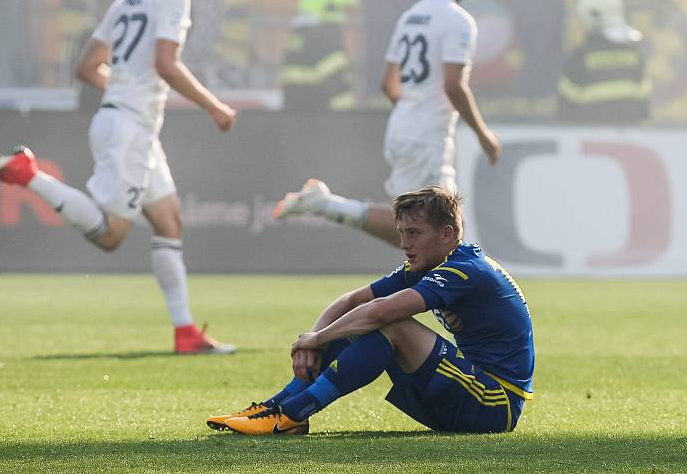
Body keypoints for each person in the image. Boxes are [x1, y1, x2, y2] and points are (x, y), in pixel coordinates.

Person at [0, 0, 237, 354]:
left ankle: (185, 332)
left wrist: (123, 86)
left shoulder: (126, 0)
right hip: (129, 129)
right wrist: (214, 105)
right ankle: (29, 174)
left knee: (169, 221)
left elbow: (86, 66)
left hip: (129, 124)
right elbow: (167, 64)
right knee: (112, 236)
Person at [207, 186, 534, 435]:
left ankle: (294, 413)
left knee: (392, 325)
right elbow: (352, 301)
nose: (405, 243)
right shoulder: (430, 263)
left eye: (414, 233)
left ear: (447, 234)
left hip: (496, 404)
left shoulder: (464, 270)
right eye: (402, 233)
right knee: (368, 322)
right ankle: (277, 408)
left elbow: (379, 313)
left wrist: (317, 337)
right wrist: (314, 341)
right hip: (468, 392)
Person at [273, 0, 500, 247]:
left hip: (406, 126)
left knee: (425, 234)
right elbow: (453, 85)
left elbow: (388, 83)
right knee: (437, 235)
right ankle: (324, 205)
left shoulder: (410, 17)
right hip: (426, 136)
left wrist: (410, 112)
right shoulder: (458, 20)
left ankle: (328, 207)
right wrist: (483, 134)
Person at [558, 0, 650, 124]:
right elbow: (643, 106)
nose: (578, 24)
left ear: (593, 17)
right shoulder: (634, 54)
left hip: (590, 140)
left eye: (580, 18)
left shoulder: (580, 57)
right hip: (630, 139)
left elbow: (566, 110)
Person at [281, 0, 360, 111]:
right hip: (327, 124)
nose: (344, 15)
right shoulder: (325, 39)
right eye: (341, 7)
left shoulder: (300, 36)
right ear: (329, 6)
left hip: (299, 119)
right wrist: (349, 123)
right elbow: (338, 88)